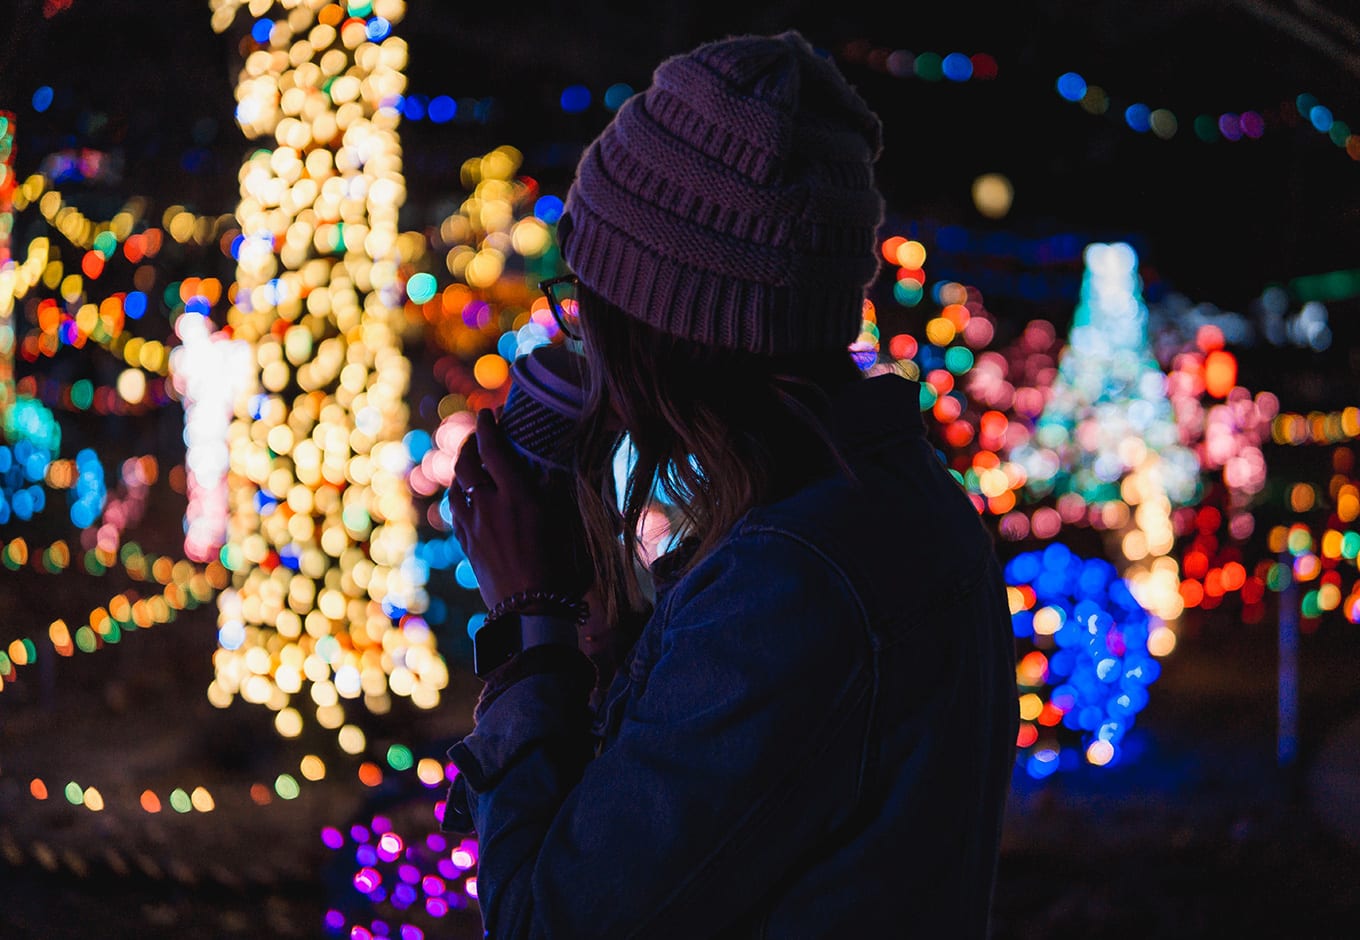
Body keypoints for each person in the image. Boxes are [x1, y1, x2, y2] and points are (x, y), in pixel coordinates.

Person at [445, 31, 1018, 938]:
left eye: (586, 303)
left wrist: (532, 620)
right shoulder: (881, 505)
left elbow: (544, 923)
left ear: (659, 329)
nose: (577, 340)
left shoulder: (790, 585)